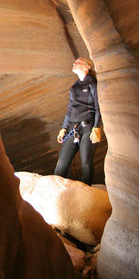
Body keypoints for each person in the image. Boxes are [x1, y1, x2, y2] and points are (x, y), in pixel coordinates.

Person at [54, 57, 102, 185]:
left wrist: (96, 127)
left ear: (87, 67)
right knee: (61, 164)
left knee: (86, 162)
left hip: (88, 127)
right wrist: (63, 128)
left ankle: (87, 191)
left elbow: (98, 107)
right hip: (73, 128)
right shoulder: (74, 87)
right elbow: (69, 110)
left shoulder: (92, 83)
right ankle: (56, 189)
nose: (74, 64)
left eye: (77, 63)